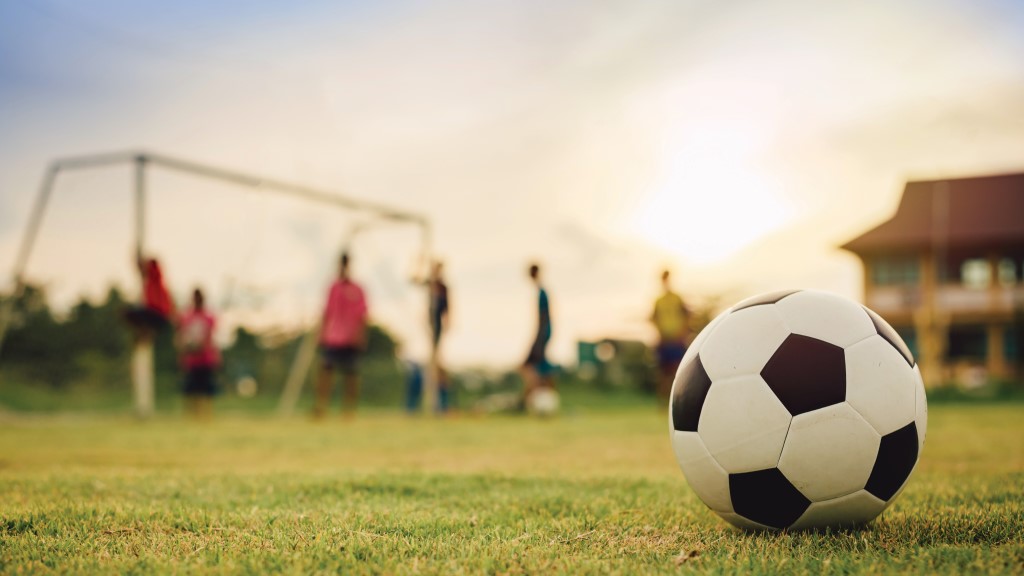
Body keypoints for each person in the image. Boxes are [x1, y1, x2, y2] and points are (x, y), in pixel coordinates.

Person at [314, 252, 368, 420]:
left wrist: (361, 335)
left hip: (351, 338)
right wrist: (321, 333)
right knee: (326, 371)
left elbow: (363, 315)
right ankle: (321, 407)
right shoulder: (333, 287)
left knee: (351, 375)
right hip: (333, 337)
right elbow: (327, 312)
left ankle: (348, 410)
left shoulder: (358, 288)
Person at [177, 288, 220, 419]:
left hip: (206, 358)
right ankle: (192, 415)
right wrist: (185, 348)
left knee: (206, 388)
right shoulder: (186, 317)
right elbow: (181, 336)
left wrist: (201, 347)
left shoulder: (209, 317)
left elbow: (210, 337)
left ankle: (206, 415)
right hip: (191, 359)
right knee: (190, 388)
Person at [651, 269, 690, 403]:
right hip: (664, 341)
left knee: (678, 372)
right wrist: (660, 333)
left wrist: (682, 333)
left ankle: (678, 400)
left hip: (677, 340)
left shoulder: (677, 298)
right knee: (663, 373)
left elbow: (688, 316)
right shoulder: (658, 301)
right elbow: (653, 318)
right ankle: (663, 403)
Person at [521, 262, 553, 405]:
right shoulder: (541, 291)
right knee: (541, 368)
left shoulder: (542, 292)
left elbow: (544, 317)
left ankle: (530, 401)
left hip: (542, 333)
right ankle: (539, 400)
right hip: (543, 333)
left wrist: (539, 337)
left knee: (527, 367)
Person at [123, 255, 175, 339]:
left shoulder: (154, 275)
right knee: (129, 312)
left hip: (158, 312)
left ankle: (146, 332)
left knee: (134, 312)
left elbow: (141, 264)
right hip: (154, 312)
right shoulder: (148, 282)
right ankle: (145, 332)